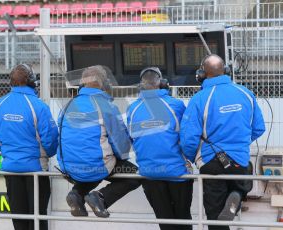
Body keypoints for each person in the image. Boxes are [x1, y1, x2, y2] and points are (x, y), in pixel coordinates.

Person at [180, 54, 265, 230]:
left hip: (210, 162)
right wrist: (240, 143)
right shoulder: (245, 93)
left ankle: (226, 211)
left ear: (201, 74)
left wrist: (193, 158)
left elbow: (188, 139)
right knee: (243, 181)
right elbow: (258, 128)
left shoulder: (199, 99)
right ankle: (237, 194)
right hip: (239, 159)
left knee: (215, 214)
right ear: (225, 71)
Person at [57, 65, 141, 218]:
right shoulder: (106, 106)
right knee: (135, 175)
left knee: (91, 165)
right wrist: (121, 157)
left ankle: (77, 193)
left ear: (82, 84)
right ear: (105, 84)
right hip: (95, 166)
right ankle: (101, 197)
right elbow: (121, 146)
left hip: (69, 168)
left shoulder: (67, 105)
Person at [0, 64, 59, 230]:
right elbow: (51, 141)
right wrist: (44, 154)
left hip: (11, 169)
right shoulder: (39, 106)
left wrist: (9, 152)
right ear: (32, 82)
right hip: (36, 170)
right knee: (38, 218)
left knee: (19, 219)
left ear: (11, 82)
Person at [127, 67, 193, 230]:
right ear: (163, 84)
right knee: (183, 219)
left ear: (140, 86)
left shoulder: (132, 109)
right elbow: (187, 137)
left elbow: (130, 140)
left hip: (149, 173)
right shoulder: (176, 105)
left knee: (165, 222)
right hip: (177, 173)